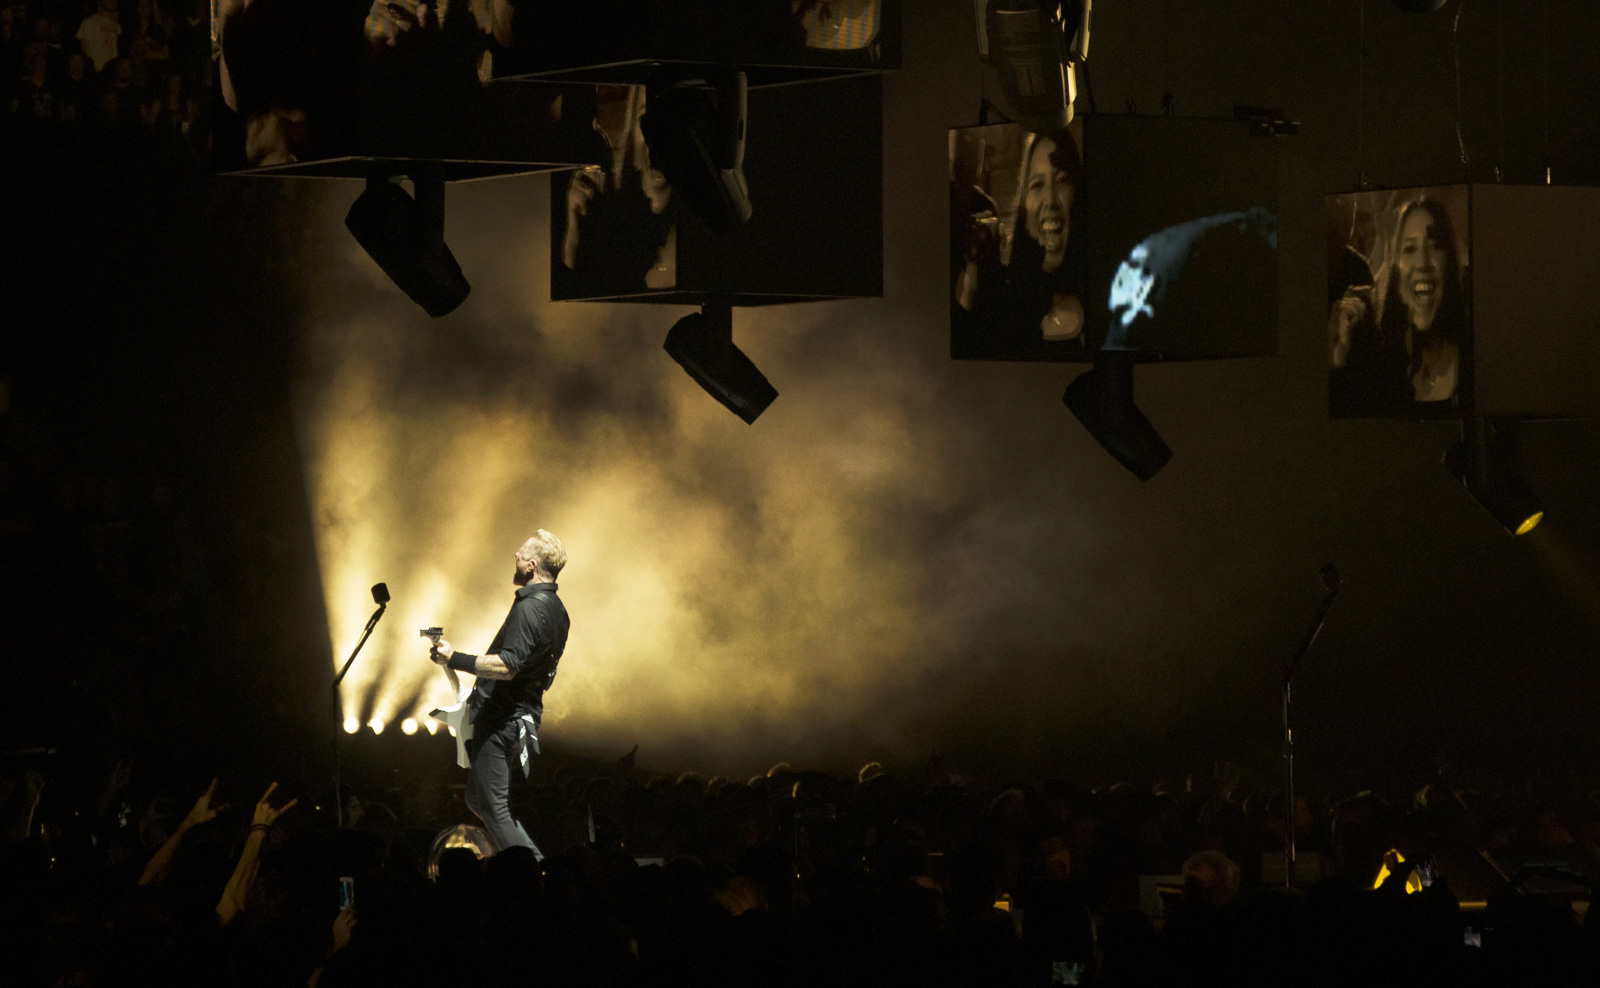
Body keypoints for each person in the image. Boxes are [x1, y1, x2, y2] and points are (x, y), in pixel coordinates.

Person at [430, 531, 570, 856]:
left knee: (494, 809)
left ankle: (534, 868)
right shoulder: (557, 609)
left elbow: (507, 666)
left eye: (521, 553)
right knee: (476, 799)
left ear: (532, 566)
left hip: (502, 720)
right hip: (518, 717)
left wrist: (454, 658)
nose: (515, 555)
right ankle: (528, 864)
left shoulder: (530, 608)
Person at [1329, 197, 1467, 415]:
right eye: (1410, 249)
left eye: (1434, 247)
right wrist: (1337, 360)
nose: (1422, 263)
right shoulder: (1380, 358)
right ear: (1396, 271)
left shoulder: (1473, 356)